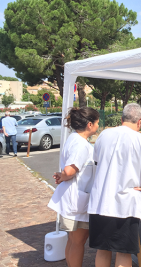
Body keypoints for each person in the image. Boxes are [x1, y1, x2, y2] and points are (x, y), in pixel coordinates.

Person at [88, 103, 141, 267]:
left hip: (100, 201)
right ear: (140, 121)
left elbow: (96, 162)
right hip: (125, 204)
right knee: (123, 252)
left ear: (122, 118)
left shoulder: (104, 135)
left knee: (102, 250)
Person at [47, 107, 100, 267]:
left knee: (72, 240)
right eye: (97, 122)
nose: (99, 125)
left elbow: (68, 170)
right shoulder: (81, 144)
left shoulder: (73, 138)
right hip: (77, 202)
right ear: (90, 124)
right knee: (78, 241)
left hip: (73, 198)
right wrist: (63, 175)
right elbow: (70, 169)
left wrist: (62, 175)